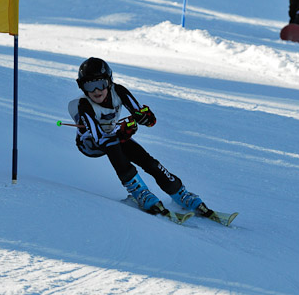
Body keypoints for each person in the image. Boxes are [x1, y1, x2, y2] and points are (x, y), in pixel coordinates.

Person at [67, 57, 213, 217]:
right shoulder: (84, 105)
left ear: (109, 82)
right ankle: (139, 191)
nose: (96, 91)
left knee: (148, 161)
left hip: (112, 136)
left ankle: (179, 193)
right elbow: (100, 138)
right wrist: (122, 134)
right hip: (90, 145)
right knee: (113, 144)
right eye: (90, 85)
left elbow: (141, 114)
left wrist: (146, 118)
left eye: (100, 84)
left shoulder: (119, 91)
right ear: (82, 87)